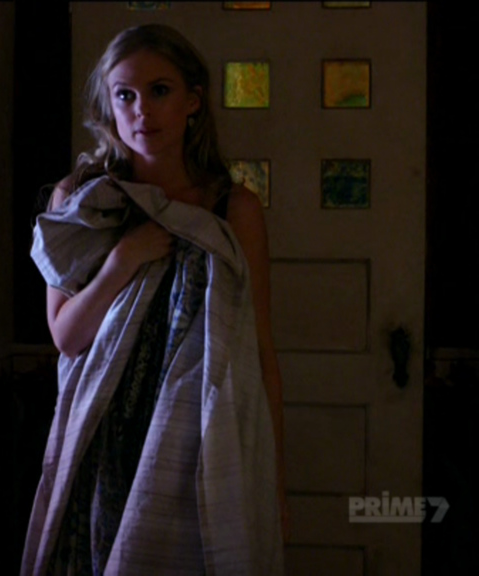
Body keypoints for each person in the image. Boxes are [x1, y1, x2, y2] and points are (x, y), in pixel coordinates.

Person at [23, 23, 287, 575]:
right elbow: (66, 337)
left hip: (195, 441)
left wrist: (272, 479)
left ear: (193, 101)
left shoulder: (231, 209)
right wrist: (124, 260)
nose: (142, 110)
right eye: (125, 95)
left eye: (159, 90)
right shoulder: (81, 201)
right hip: (103, 440)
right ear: (108, 105)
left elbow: (260, 350)